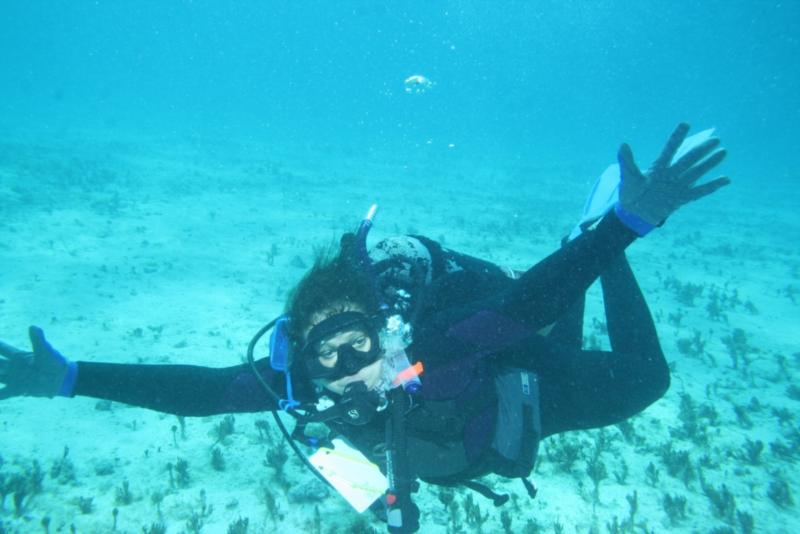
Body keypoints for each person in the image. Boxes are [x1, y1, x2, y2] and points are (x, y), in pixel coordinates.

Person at [0, 123, 728, 532]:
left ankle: (592, 230)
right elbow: (201, 390)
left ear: (388, 335)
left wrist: (625, 228)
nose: (350, 367)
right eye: (328, 353)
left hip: (509, 393)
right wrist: (69, 378)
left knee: (641, 378)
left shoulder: (430, 345)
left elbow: (526, 306)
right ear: (304, 358)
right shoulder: (296, 386)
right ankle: (591, 236)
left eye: (360, 344)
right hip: (470, 436)